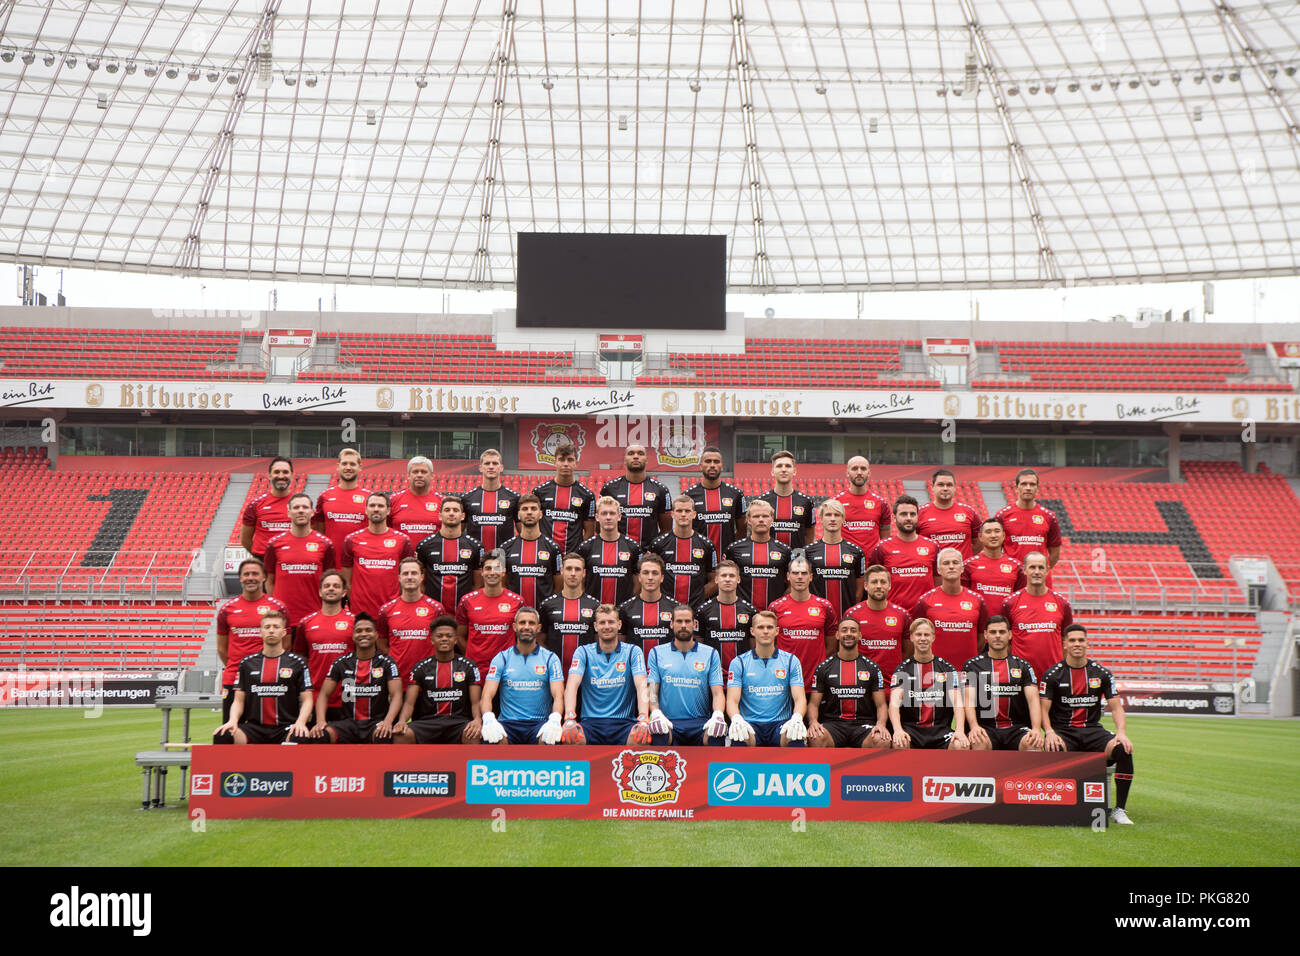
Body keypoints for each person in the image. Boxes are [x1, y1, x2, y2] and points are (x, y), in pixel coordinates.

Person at [1040, 624, 1135, 825]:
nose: (1077, 644)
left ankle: (1119, 810)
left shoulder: (1101, 673)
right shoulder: (1052, 675)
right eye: (1072, 640)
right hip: (1064, 732)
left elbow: (1116, 707)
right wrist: (1049, 732)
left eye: (1081, 640)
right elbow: (1043, 710)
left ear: (1087, 643)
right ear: (1064, 644)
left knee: (1123, 749)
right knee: (1053, 747)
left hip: (1092, 731)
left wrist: (1122, 733)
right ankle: (1061, 807)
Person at [212, 609, 313, 744]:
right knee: (223, 735)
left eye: (276, 627)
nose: (271, 630)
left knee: (300, 736)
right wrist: (233, 720)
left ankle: (286, 765)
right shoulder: (247, 663)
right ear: (261, 632)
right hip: (254, 729)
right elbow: (238, 701)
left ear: (284, 632)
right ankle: (234, 766)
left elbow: (307, 699)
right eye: (267, 627)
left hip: (285, 728)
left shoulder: (297, 662)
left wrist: (300, 722)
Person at [560, 604, 652, 745]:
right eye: (602, 622)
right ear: (596, 626)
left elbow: (642, 685)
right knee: (571, 739)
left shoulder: (633, 651)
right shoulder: (583, 652)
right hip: (591, 722)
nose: (607, 626)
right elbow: (572, 685)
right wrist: (570, 717)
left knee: (641, 739)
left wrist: (644, 718)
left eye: (611, 622)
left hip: (624, 722)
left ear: (619, 624)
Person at [478, 608, 565, 745]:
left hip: (539, 723)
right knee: (494, 739)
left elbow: (558, 695)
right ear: (514, 627)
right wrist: (488, 718)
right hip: (508, 724)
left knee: (549, 739)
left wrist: (555, 718)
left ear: (538, 628)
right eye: (522, 622)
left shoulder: (550, 658)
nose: (526, 627)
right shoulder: (502, 658)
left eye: (531, 623)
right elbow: (486, 696)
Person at [215, 558, 288, 722]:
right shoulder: (227, 609)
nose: (250, 577)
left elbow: (286, 643)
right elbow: (222, 648)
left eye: (255, 573)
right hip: (234, 678)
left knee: (266, 729)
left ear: (264, 577)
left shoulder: (278, 607)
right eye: (246, 574)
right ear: (240, 578)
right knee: (232, 730)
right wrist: (242, 669)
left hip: (269, 679)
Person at [311, 614, 403, 743]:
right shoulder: (341, 662)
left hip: (376, 723)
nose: (364, 634)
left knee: (383, 735)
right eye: (359, 631)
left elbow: (396, 695)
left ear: (376, 635)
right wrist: (320, 721)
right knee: (320, 735)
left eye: (368, 630)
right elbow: (324, 694)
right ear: (353, 636)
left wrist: (388, 721)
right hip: (348, 724)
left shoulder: (387, 663)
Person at [645, 604, 727, 746]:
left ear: (694, 624)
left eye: (687, 621)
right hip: (668, 721)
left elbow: (718, 693)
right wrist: (656, 713)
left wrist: (718, 714)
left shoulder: (711, 653)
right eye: (679, 621)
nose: (683, 625)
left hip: (700, 722)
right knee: (658, 734)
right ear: (671, 624)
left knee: (716, 734)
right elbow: (652, 690)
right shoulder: (657, 653)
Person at [395, 615, 484, 744]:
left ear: (455, 640)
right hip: (428, 723)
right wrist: (402, 721)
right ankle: (412, 765)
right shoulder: (421, 667)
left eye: (449, 636)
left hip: (458, 722)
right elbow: (409, 703)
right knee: (402, 734)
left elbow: (476, 702)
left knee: (473, 733)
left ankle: (468, 765)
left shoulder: (469, 666)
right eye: (439, 636)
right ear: (432, 640)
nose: (444, 639)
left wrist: (477, 720)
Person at [726, 610, 807, 746]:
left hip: (780, 724)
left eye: (769, 627)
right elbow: (732, 700)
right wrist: (736, 718)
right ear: (752, 631)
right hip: (750, 724)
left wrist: (797, 717)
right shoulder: (739, 662)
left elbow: (800, 698)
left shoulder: (791, 660)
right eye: (760, 627)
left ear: (776, 631)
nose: (765, 631)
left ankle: (792, 769)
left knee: (795, 736)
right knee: (740, 737)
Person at [963, 615, 1043, 752]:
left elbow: (1033, 700)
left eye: (1002, 632)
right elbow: (968, 700)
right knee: (978, 743)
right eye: (993, 632)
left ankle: (1025, 775)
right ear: (986, 635)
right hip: (985, 728)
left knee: (1033, 744)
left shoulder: (1023, 666)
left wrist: (1036, 729)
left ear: (1010, 634)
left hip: (1017, 728)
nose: (998, 636)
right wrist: (974, 726)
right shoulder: (972, 665)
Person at [807, 618, 891, 749]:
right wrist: (813, 722)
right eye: (844, 630)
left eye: (853, 630)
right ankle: (828, 770)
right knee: (815, 737)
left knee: (882, 740)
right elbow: (813, 704)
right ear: (837, 635)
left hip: (863, 724)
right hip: (833, 724)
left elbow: (881, 705)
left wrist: (881, 724)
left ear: (860, 635)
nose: (848, 634)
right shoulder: (824, 667)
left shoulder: (872, 667)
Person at [889, 618, 968, 750]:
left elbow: (957, 703)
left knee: (961, 745)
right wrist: (898, 730)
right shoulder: (902, 670)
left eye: (927, 635)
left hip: (940, 730)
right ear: (912, 637)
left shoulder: (947, 668)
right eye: (919, 634)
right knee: (899, 743)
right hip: (912, 731)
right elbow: (893, 705)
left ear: (933, 637)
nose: (923, 638)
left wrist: (960, 730)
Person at [1000, 551, 1073, 684]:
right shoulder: (1010, 603)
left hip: (1053, 677)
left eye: (1041, 567)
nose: (1037, 571)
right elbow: (1005, 641)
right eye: (1032, 567)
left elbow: (1066, 641)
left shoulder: (1062, 603)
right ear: (1024, 570)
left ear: (1047, 570)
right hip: (1020, 676)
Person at [339, 492, 415, 619]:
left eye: (380, 506)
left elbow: (408, 576)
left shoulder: (402, 540)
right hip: (360, 612)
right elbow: (347, 581)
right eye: (372, 505)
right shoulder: (351, 540)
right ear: (366, 510)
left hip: (392, 611)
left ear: (388, 510)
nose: (376, 509)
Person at [292, 570, 355, 722]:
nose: (331, 588)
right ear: (320, 592)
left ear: (344, 592)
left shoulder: (355, 622)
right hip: (315, 696)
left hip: (347, 696)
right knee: (315, 742)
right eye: (327, 586)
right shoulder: (306, 623)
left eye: (336, 586)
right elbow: (301, 658)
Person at [768, 551, 835, 692]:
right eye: (795, 573)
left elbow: (831, 644)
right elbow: (770, 644)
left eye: (804, 573)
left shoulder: (824, 606)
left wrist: (819, 666)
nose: (799, 577)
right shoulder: (775, 607)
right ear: (788, 576)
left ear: (810, 577)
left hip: (816, 682)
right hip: (784, 681)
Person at [264, 492, 334, 627]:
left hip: (314, 618)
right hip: (283, 620)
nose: (301, 511)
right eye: (296, 508)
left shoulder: (325, 544)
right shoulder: (274, 544)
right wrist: (276, 609)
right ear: (289, 512)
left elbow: (328, 581)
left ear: (312, 512)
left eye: (305, 507)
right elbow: (270, 580)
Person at [911, 547, 989, 666]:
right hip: (935, 671)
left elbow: (982, 637)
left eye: (955, 563)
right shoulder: (925, 601)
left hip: (969, 671)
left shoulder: (977, 600)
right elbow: (916, 637)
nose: (951, 566)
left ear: (962, 568)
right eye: (946, 563)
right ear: (939, 570)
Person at [375, 558, 446, 688]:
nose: (409, 577)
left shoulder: (436, 608)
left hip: (429, 678)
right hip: (398, 679)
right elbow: (381, 642)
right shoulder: (386, 610)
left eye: (414, 573)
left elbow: (442, 643)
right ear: (399, 577)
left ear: (422, 577)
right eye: (405, 573)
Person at [456, 549, 524, 681]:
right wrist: (472, 657)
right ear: (481, 572)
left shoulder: (517, 601)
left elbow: (521, 637)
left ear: (503, 572)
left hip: (507, 670)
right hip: (475, 670)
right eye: (487, 568)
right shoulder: (467, 600)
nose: (492, 572)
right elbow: (459, 635)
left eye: (497, 568)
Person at [868, 495, 939, 612]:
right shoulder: (882, 547)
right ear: (894, 517)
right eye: (903, 514)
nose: (908, 518)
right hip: (892, 616)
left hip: (924, 617)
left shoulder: (932, 546)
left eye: (912, 514)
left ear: (918, 516)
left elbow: (938, 582)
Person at [843, 565, 912, 684]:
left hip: (893, 685)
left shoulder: (902, 615)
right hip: (862, 685)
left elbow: (908, 652)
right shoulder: (852, 615)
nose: (879, 586)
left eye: (883, 582)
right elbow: (845, 652)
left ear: (889, 585)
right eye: (874, 582)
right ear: (865, 586)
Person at [415, 495, 482, 610]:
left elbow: (478, 585)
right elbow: (421, 583)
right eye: (447, 510)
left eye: (455, 510)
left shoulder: (475, 546)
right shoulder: (424, 545)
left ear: (462, 516)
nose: (451, 513)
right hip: (433, 611)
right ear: (440, 516)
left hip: (463, 612)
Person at [649, 494, 716, 606]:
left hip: (694, 608)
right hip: (665, 608)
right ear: (672, 514)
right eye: (679, 511)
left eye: (687, 511)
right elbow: (649, 577)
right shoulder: (658, 544)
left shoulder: (706, 544)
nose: (683, 514)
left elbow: (714, 580)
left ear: (694, 514)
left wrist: (697, 597)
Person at [805, 498, 865, 621]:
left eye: (837, 515)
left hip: (846, 618)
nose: (832, 519)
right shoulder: (808, 551)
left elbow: (859, 589)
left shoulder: (856, 552)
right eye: (828, 515)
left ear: (843, 519)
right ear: (821, 518)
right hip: (816, 617)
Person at [725, 498, 791, 610]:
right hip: (742, 614)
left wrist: (781, 606)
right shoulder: (734, 549)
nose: (761, 520)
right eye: (756, 516)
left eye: (765, 516)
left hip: (774, 614)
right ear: (749, 520)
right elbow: (725, 582)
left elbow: (791, 585)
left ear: (772, 519)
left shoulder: (785, 550)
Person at [600, 444, 672, 548]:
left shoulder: (660, 490)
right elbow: (599, 526)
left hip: (648, 556)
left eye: (640, 453)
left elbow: (666, 529)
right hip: (618, 551)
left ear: (646, 459)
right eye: (631, 453)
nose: (636, 456)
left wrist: (653, 549)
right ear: (624, 460)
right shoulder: (609, 488)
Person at [497, 493, 561, 608]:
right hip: (514, 612)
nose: (529, 512)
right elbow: (502, 585)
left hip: (543, 613)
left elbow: (558, 586)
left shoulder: (554, 548)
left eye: (533, 509)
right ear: (518, 515)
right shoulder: (503, 549)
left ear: (540, 514)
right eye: (525, 509)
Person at [530, 440, 595, 553]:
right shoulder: (540, 492)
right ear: (555, 462)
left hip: (572, 557)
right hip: (544, 554)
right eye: (561, 460)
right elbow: (532, 526)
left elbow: (589, 532)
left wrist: (577, 553)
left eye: (570, 460)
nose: (565, 464)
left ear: (576, 463)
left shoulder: (587, 495)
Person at [539, 554, 600, 672]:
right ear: (562, 571)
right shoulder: (547, 605)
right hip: (555, 674)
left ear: (584, 573)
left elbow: (598, 642)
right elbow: (541, 640)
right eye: (568, 569)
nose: (573, 573)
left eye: (577, 569)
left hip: (586, 673)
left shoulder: (595, 606)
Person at [693, 559, 756, 676]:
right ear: (716, 579)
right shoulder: (702, 611)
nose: (727, 579)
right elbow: (698, 647)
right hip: (712, 676)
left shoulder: (750, 611)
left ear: (738, 579)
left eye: (732, 576)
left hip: (742, 675)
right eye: (723, 575)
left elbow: (754, 648)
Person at [682, 445, 746, 555]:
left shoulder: (736, 494)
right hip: (698, 558)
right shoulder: (688, 495)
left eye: (716, 462)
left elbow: (742, 530)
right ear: (701, 466)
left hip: (727, 560)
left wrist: (732, 550)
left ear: (722, 465)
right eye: (708, 461)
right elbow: (684, 530)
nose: (712, 465)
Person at [577, 496, 640, 605]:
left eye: (612, 513)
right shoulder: (585, 547)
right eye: (604, 513)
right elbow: (580, 582)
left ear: (619, 516)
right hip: (593, 611)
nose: (608, 517)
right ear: (597, 517)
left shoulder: (633, 547)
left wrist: (626, 605)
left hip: (622, 612)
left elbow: (638, 582)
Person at [313, 448, 371, 565]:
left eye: (352, 464)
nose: (348, 467)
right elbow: (318, 530)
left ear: (360, 467)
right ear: (338, 466)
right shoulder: (325, 496)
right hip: (331, 565)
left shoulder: (369, 498)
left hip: (360, 564)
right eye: (344, 463)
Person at [995, 468, 1061, 569]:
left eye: (1032, 484)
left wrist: (1040, 572)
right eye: (1024, 484)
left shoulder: (1049, 516)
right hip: (1013, 579)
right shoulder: (1002, 516)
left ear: (1037, 488)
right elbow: (995, 550)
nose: (1028, 488)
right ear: (1017, 488)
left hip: (1039, 581)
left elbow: (1055, 554)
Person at [462, 448, 520, 552]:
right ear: (480, 468)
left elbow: (522, 533)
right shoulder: (467, 498)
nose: (491, 466)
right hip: (475, 556)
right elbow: (458, 532)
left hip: (502, 557)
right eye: (487, 463)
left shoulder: (513, 498)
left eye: (495, 463)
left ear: (501, 467)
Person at [754, 449, 815, 547]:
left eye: (788, 466)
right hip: (769, 560)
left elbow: (809, 535)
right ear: (772, 472)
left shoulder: (806, 501)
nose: (783, 469)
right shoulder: (762, 501)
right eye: (779, 466)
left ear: (794, 471)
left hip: (796, 560)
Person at [617, 553, 675, 655]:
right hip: (635, 670)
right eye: (646, 573)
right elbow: (621, 648)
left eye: (655, 573)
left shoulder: (675, 608)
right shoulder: (625, 609)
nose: (650, 577)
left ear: (662, 577)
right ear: (639, 577)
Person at [962, 518, 1027, 607]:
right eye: (988, 532)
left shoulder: (1017, 566)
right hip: (979, 620)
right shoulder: (968, 565)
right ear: (980, 537)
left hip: (1006, 620)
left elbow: (1021, 599)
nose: (993, 535)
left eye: (997, 531)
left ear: (1003, 535)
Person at [917, 469, 981, 559]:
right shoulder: (919, 513)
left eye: (949, 485)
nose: (945, 488)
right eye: (941, 485)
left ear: (954, 488)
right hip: (933, 572)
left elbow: (980, 540)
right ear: (932, 487)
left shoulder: (969, 512)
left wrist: (964, 560)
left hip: (962, 571)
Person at [240, 456, 294, 562]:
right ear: (269, 475)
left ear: (292, 475)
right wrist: (260, 557)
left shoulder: (300, 504)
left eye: (285, 472)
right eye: (276, 472)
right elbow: (245, 540)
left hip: (292, 562)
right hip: (263, 562)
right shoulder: (255, 504)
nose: (281, 476)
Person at [832, 455, 891, 553]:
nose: (859, 472)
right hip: (845, 564)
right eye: (855, 468)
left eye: (863, 469)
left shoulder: (881, 503)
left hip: (872, 565)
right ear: (847, 473)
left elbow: (885, 541)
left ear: (869, 473)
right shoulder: (835, 502)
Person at [388, 455, 443, 542]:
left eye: (424, 472)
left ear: (432, 475)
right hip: (401, 555)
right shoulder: (393, 500)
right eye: (415, 472)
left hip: (432, 555)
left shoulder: (442, 501)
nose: (419, 475)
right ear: (408, 475)